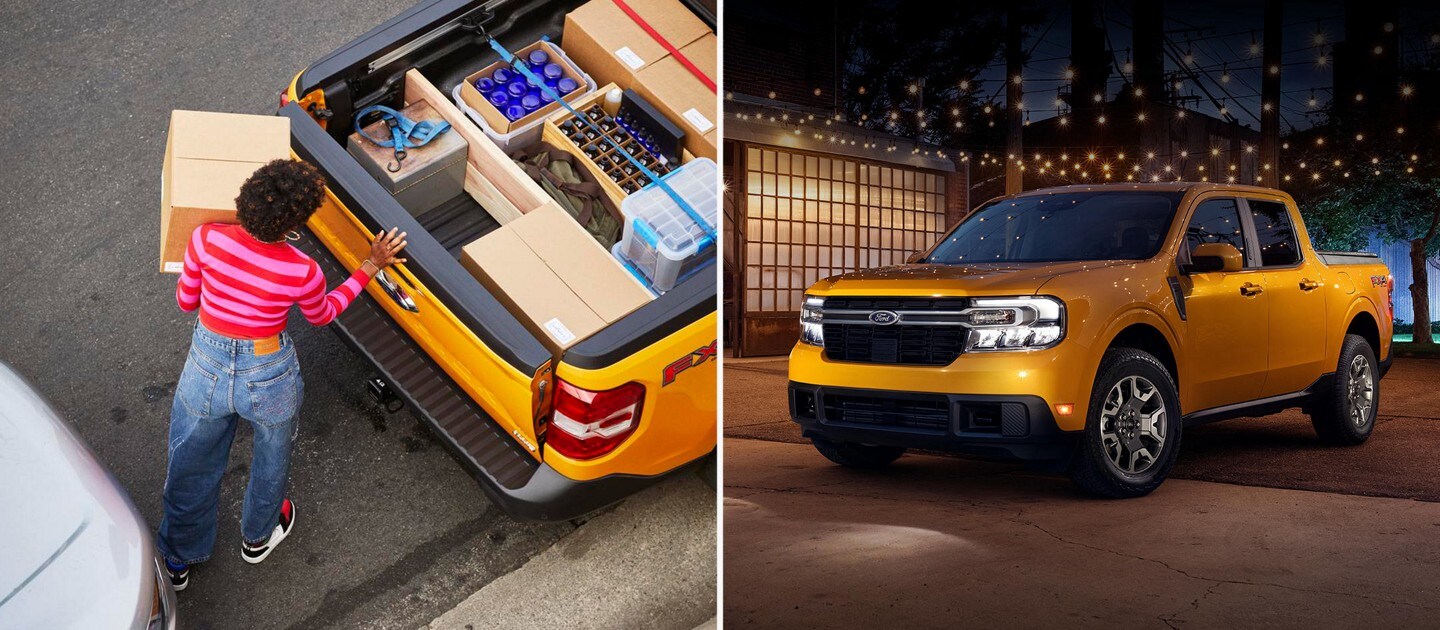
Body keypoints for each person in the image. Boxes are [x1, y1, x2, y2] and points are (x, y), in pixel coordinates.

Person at [156, 158, 408, 591]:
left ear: (246, 196)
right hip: (268, 371)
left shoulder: (204, 239)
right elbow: (323, 314)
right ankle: (258, 535)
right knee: (271, 455)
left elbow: (185, 302)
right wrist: (370, 266)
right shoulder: (302, 271)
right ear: (296, 222)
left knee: (192, 461)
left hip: (207, 364)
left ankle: (177, 559)